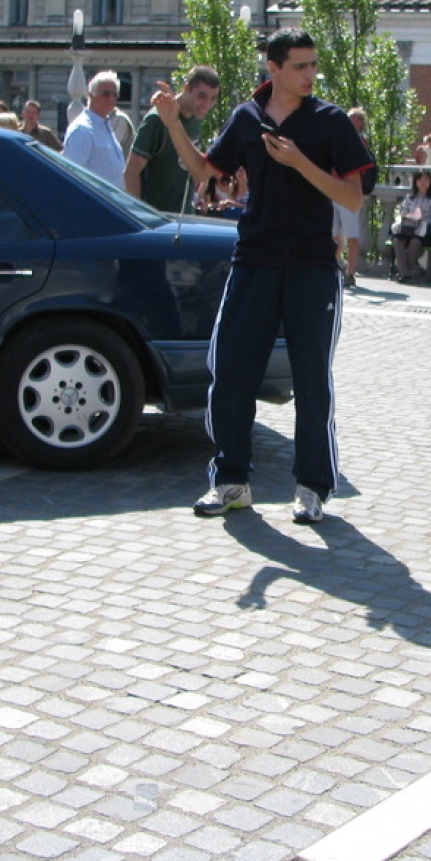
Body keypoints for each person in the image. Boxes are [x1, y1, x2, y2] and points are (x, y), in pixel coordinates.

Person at [151, 28, 373, 525]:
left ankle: (312, 487)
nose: (311, 74)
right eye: (300, 66)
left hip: (313, 268)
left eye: (314, 65)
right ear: (273, 69)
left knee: (312, 380)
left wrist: (299, 162)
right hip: (254, 263)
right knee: (230, 372)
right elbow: (205, 174)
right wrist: (171, 125)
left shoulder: (330, 121)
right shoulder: (246, 118)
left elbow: (353, 198)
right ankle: (231, 482)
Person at [124, 66, 221, 211]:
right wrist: (140, 215)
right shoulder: (157, 119)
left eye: (213, 99)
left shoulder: (196, 118)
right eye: (201, 97)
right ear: (187, 88)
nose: (206, 105)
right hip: (158, 220)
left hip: (184, 216)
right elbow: (131, 172)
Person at [62, 71, 130, 188]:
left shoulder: (105, 125)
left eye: (114, 94)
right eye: (105, 94)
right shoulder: (83, 130)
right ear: (90, 95)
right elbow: (72, 176)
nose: (111, 98)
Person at [332, 107, 372, 288]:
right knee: (333, 234)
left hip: (349, 192)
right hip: (333, 190)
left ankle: (350, 272)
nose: (348, 122)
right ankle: (337, 265)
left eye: (352, 119)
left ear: (360, 123)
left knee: (352, 235)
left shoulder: (360, 142)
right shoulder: (336, 139)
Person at [392, 169, 431, 282]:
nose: (423, 182)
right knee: (397, 241)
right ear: (415, 182)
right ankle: (408, 272)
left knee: (415, 242)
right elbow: (402, 213)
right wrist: (410, 216)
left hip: (424, 232)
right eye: (420, 179)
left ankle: (405, 273)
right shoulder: (409, 198)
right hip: (408, 228)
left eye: (426, 179)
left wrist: (424, 219)